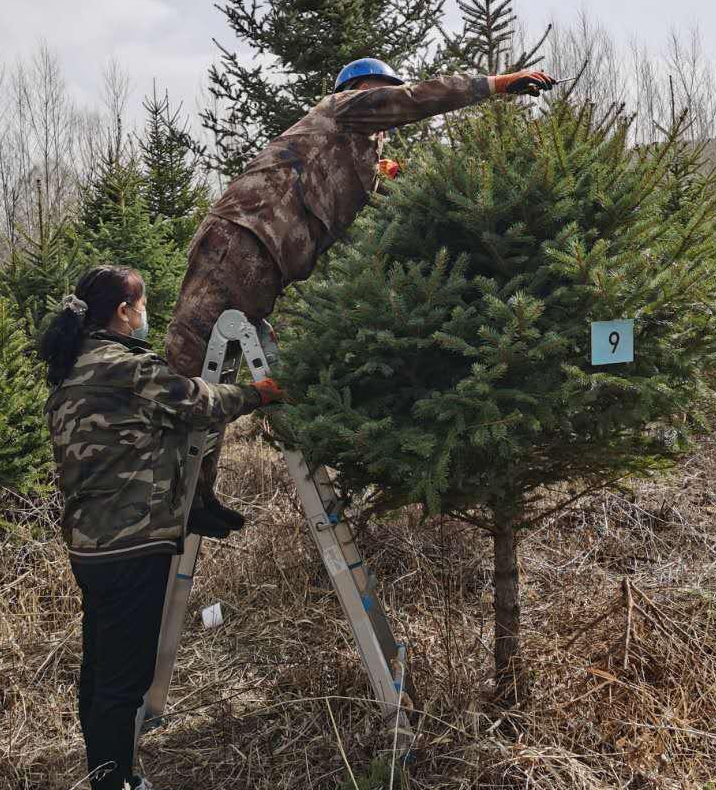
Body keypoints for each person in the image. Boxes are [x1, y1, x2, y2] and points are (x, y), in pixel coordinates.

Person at [165, 60, 555, 534]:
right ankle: (168, 502)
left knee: (215, 374)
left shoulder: (358, 156)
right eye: (383, 92)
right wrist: (494, 85)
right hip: (240, 238)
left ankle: (196, 496)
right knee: (189, 368)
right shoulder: (342, 108)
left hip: (269, 261)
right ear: (362, 91)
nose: (387, 111)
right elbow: (415, 99)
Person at [39, 264, 284, 790]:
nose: (148, 312)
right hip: (128, 549)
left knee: (103, 676)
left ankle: (124, 782)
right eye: (142, 302)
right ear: (124, 312)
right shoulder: (125, 368)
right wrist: (262, 391)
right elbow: (198, 404)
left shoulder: (76, 366)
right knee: (119, 687)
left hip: (94, 549)